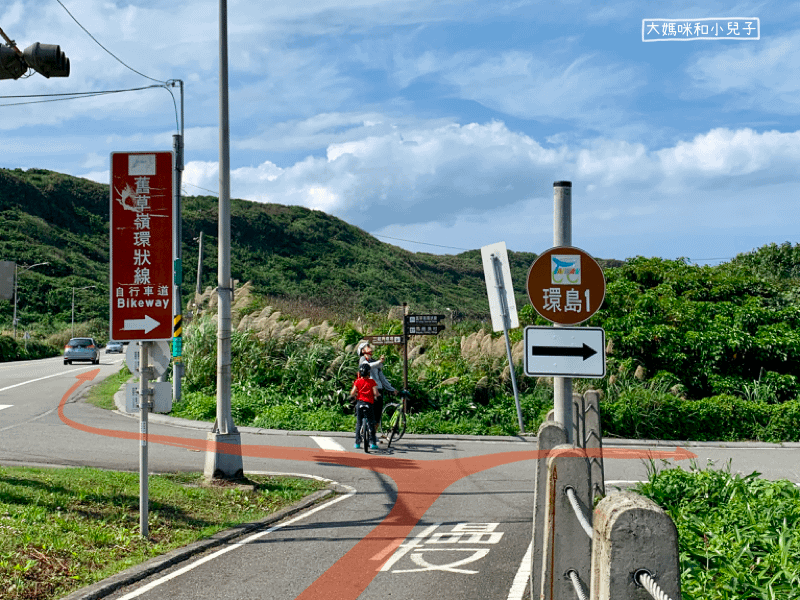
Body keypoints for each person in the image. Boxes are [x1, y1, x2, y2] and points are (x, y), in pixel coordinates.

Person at [357, 342, 398, 436]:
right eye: (367, 346)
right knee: (367, 410)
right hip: (368, 389)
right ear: (362, 351)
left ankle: (373, 434)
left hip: (378, 389)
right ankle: (363, 428)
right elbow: (367, 366)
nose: (369, 347)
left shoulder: (375, 362)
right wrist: (379, 362)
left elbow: (382, 378)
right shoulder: (363, 359)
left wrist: (391, 389)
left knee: (378, 414)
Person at [350, 362, 379, 450]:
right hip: (369, 404)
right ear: (369, 373)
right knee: (371, 423)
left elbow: (352, 392)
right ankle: (373, 443)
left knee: (359, 423)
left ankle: (357, 443)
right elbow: (376, 393)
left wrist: (355, 396)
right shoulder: (371, 382)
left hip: (359, 404)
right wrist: (377, 395)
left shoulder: (358, 381)